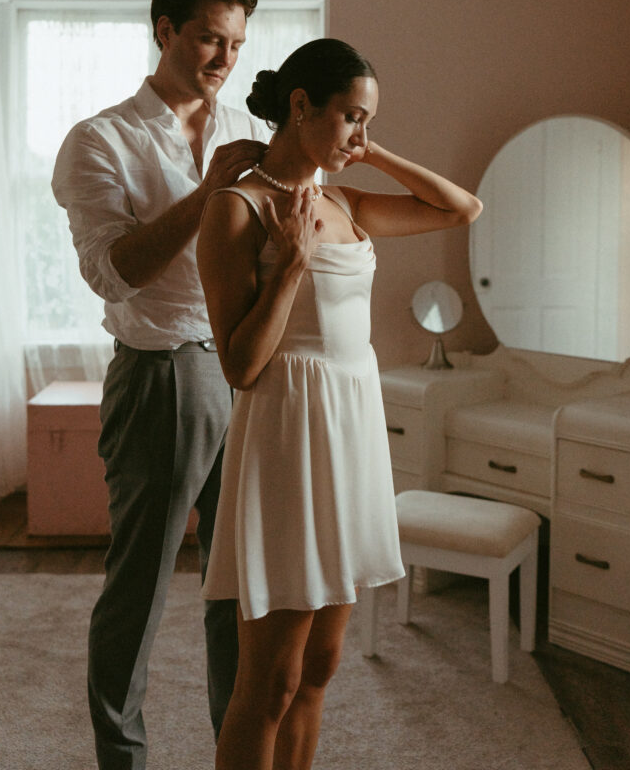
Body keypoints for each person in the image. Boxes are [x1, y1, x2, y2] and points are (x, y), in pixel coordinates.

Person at [195, 37, 483, 769]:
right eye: (351, 117)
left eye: (367, 120)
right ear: (300, 107)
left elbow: (462, 209)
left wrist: (371, 152)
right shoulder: (237, 208)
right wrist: (290, 264)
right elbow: (240, 365)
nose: (359, 132)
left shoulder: (344, 200)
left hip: (351, 430)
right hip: (289, 434)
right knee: (270, 680)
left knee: (320, 667)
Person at [51, 0, 270, 769]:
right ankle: (123, 758)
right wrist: (211, 193)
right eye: (209, 37)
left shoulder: (244, 135)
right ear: (165, 30)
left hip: (247, 367)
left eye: (235, 43)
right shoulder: (99, 139)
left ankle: (235, 748)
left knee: (235, 584)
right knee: (138, 590)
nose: (223, 58)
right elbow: (114, 271)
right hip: (163, 373)